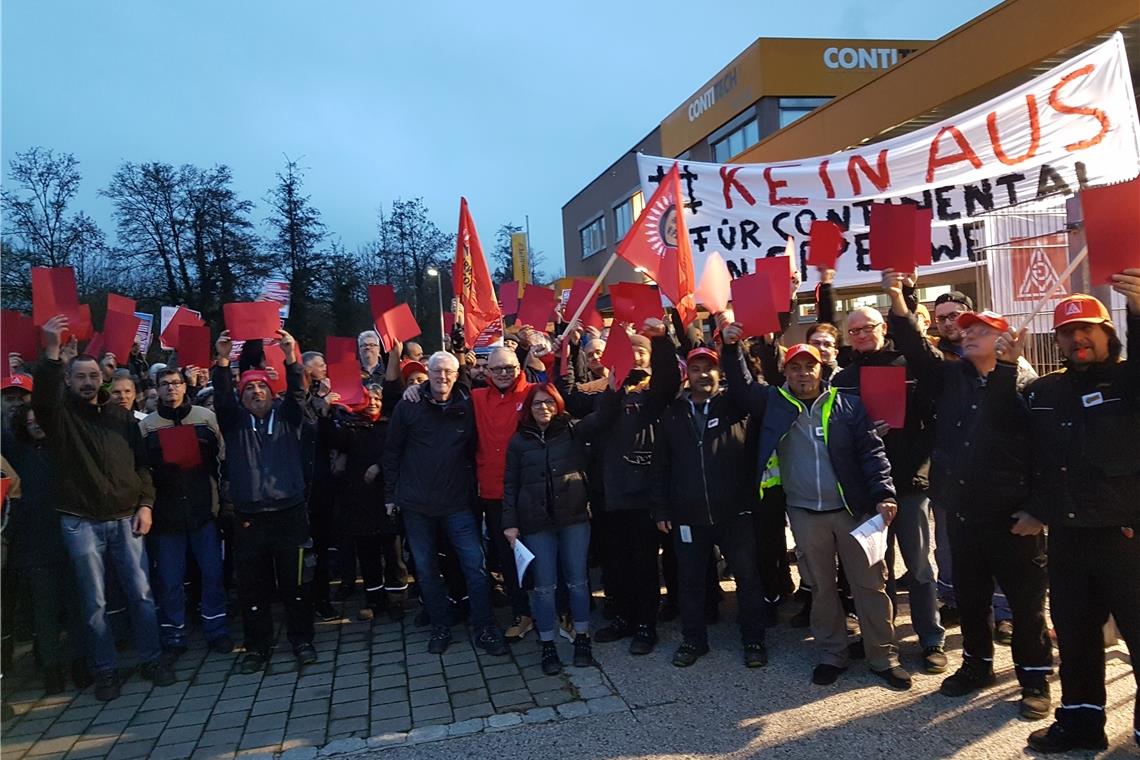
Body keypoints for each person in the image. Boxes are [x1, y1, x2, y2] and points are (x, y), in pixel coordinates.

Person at [883, 274, 1052, 720]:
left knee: (1026, 604)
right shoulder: (949, 377)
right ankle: (976, 666)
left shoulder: (1025, 385)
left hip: (1014, 518)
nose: (969, 332)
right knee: (971, 598)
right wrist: (896, 296)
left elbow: (1047, 454)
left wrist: (1038, 510)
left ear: (1004, 340)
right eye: (967, 328)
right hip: (962, 513)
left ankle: (1034, 679)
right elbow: (916, 346)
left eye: (981, 329)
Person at [993, 277, 1140, 754]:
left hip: (1128, 536)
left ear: (1108, 333)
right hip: (1070, 538)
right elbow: (1009, 436)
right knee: (1076, 639)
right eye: (1067, 332)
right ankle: (1080, 723)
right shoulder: (1044, 391)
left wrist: (1139, 310)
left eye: (1088, 330)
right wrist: (1002, 366)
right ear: (1055, 340)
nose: (1078, 339)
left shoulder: (1128, 380)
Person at [722, 330, 910, 690]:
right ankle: (831, 654)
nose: (803, 373)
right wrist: (731, 348)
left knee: (870, 586)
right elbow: (742, 385)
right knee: (822, 588)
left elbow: (873, 454)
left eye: (810, 366)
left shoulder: (848, 405)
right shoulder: (774, 402)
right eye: (795, 368)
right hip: (805, 514)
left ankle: (883, 656)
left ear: (822, 370)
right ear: (785, 371)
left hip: (853, 512)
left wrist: (884, 493)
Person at [32, 315, 173, 702]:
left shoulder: (122, 418)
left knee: (141, 594)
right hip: (81, 523)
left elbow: (142, 466)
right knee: (94, 602)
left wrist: (146, 504)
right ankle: (106, 670)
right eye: (80, 377)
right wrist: (51, 354)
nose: (88, 382)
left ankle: (152, 659)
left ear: (103, 380)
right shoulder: (61, 419)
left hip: (127, 518)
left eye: (93, 376)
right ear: (69, 381)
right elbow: (43, 398)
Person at [831, 305, 947, 674]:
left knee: (919, 567)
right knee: (875, 571)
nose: (862, 335)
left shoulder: (911, 367)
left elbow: (933, 422)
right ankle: (881, 639)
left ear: (884, 328)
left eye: (868, 328)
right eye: (854, 331)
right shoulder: (842, 380)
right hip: (866, 492)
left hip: (909, 484)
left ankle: (931, 638)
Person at [383, 351, 509, 656]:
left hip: (458, 503)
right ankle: (440, 625)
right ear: (427, 372)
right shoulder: (409, 404)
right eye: (436, 371)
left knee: (474, 567)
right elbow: (392, 453)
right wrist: (390, 496)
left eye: (448, 372)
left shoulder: (469, 406)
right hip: (416, 505)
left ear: (456, 375)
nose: (442, 377)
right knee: (426, 570)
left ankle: (485, 626)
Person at [653, 346, 768, 669]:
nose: (703, 374)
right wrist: (662, 509)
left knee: (747, 577)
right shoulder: (672, 414)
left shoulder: (736, 407)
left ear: (720, 373)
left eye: (709, 368)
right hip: (688, 515)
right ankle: (693, 640)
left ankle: (754, 639)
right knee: (690, 581)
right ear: (686, 375)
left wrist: (733, 348)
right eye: (696, 368)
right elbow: (661, 466)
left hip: (735, 512)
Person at [211, 328, 317, 674]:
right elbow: (223, 397)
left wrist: (290, 357)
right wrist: (224, 359)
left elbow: (300, 393)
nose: (256, 392)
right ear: (242, 397)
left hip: (290, 513)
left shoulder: (288, 417)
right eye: (249, 389)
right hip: (249, 518)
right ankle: (258, 647)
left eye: (262, 387)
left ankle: (302, 640)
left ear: (273, 392)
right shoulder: (235, 423)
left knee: (296, 583)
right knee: (253, 588)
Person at [502, 381, 616, 674]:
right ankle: (548, 643)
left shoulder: (572, 431)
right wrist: (510, 523)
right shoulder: (518, 441)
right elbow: (510, 484)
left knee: (578, 582)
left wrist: (613, 388)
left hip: (573, 518)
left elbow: (601, 417)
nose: (544, 408)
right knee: (544, 587)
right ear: (529, 408)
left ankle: (581, 637)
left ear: (558, 404)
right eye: (538, 403)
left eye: (549, 402)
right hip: (535, 523)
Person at [592, 319, 681, 656]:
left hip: (644, 494)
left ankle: (646, 624)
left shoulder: (654, 394)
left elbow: (669, 377)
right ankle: (623, 619)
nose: (636, 357)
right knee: (617, 563)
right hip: (611, 493)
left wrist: (660, 341)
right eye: (630, 352)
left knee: (645, 564)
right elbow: (591, 425)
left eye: (641, 351)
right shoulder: (606, 391)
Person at [139, 366, 232, 657]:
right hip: (166, 518)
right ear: (157, 388)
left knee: (212, 573)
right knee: (170, 580)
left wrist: (222, 502)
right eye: (165, 384)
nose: (171, 389)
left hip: (203, 511)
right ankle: (174, 633)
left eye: (176, 383)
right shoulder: (147, 426)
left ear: (185, 385)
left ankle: (216, 629)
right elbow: (142, 470)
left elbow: (222, 461)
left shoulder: (205, 419)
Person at [4, 404, 89, 695]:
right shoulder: (18, 454)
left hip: (69, 539)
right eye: (31, 423)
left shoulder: (64, 451)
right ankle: (51, 669)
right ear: (23, 428)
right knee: (45, 611)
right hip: (35, 545)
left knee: (76, 607)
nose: (37, 426)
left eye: (41, 421)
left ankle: (80, 662)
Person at [330, 384, 407, 621]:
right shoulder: (351, 426)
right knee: (367, 554)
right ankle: (375, 600)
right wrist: (330, 411)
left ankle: (397, 601)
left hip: (386, 499)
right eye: (367, 398)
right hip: (359, 500)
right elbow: (332, 441)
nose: (373, 402)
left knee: (393, 554)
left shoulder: (390, 425)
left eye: (377, 398)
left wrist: (379, 466)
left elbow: (399, 451)